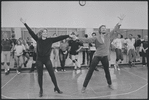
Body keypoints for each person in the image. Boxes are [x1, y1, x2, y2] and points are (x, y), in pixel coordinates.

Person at [71, 14, 125, 93]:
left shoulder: (108, 36)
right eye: (102, 28)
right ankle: (84, 86)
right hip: (97, 56)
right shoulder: (96, 37)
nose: (104, 29)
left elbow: (116, 29)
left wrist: (121, 20)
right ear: (100, 30)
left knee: (107, 71)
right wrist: (77, 38)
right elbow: (87, 40)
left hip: (105, 56)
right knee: (90, 71)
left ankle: (110, 84)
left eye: (105, 28)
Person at [20, 18, 73, 97]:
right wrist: (25, 24)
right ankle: (41, 90)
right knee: (40, 75)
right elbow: (31, 32)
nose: (45, 33)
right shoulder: (38, 39)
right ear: (41, 33)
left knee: (52, 74)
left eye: (46, 32)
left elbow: (59, 37)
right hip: (39, 60)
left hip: (47, 59)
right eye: (44, 32)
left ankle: (56, 88)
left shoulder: (50, 40)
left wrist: (68, 35)